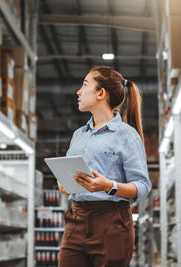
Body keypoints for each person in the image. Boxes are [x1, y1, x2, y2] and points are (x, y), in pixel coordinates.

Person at [58, 66, 152, 267]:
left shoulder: (127, 135)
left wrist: (109, 186)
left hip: (112, 221)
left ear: (101, 93)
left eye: (84, 85)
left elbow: (143, 186)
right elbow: (70, 174)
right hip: (77, 218)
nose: (78, 92)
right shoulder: (78, 135)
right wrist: (64, 183)